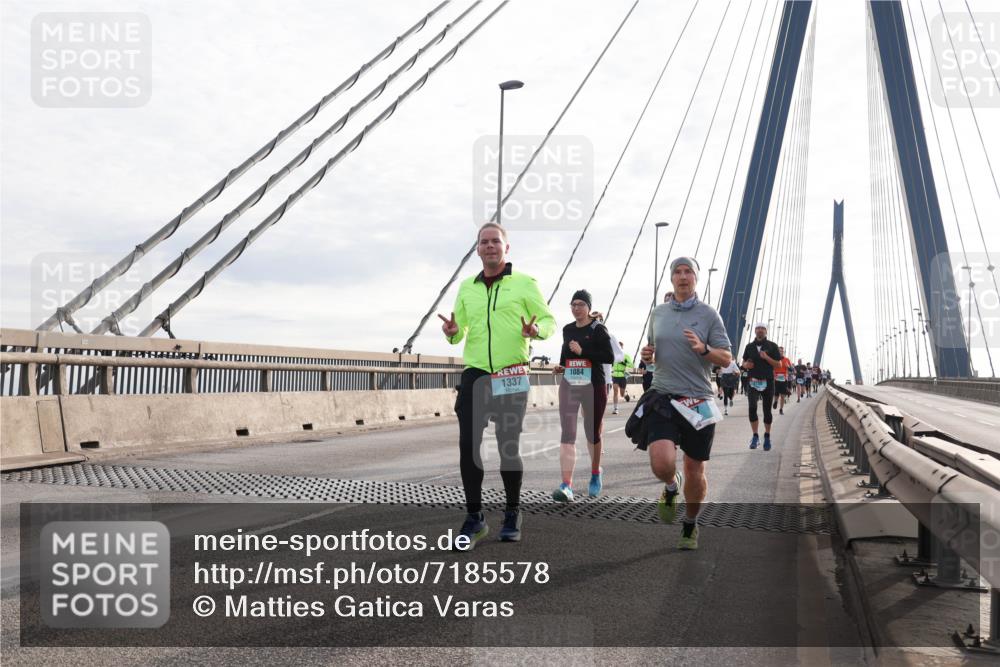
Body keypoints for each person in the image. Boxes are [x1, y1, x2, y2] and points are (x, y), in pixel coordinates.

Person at [439, 222, 555, 549]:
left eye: (495, 241)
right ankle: (474, 518)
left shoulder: (524, 284)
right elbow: (458, 332)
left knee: (507, 445)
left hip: (510, 373)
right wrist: (451, 332)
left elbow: (548, 320)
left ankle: (512, 512)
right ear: (477, 249)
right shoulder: (466, 288)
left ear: (507, 248)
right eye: (484, 242)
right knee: (468, 446)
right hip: (475, 373)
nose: (489, 246)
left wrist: (537, 332)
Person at [639, 257, 732, 551]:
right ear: (671, 279)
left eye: (688, 271)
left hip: (698, 399)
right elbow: (651, 351)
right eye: (677, 272)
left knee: (695, 470)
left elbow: (727, 358)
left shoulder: (709, 315)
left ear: (696, 278)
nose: (682, 276)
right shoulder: (658, 313)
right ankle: (670, 486)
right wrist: (646, 356)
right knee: (661, 462)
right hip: (663, 395)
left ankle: (690, 524)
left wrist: (704, 349)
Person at [551, 291, 614, 501]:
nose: (576, 308)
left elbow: (609, 357)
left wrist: (583, 351)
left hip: (593, 385)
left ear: (588, 307)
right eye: (573, 304)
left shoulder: (598, 329)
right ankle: (566, 485)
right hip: (570, 383)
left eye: (580, 304)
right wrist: (561, 366)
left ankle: (596, 473)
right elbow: (565, 353)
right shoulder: (567, 329)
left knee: (592, 432)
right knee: (567, 433)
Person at [741, 323, 781, 451]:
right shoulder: (749, 346)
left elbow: (778, 365)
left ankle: (767, 436)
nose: (760, 331)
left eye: (762, 329)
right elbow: (743, 362)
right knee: (752, 408)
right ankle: (755, 436)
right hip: (752, 381)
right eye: (758, 328)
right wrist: (746, 365)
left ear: (766, 331)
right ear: (754, 331)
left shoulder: (772, 346)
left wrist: (767, 357)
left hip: (768, 381)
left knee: (767, 410)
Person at [611, 340, 633, 415]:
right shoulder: (612, 355)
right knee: (615, 390)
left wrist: (624, 363)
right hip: (615, 375)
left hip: (623, 375)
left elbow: (631, 365)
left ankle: (625, 395)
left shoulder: (626, 356)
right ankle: (615, 408)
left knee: (621, 394)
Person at [772, 346, 793, 415]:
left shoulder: (787, 360)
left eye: (781, 351)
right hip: (776, 378)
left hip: (784, 379)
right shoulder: (774, 359)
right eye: (779, 351)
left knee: (783, 395)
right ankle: (775, 401)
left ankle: (781, 409)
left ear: (783, 352)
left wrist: (788, 367)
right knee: (776, 393)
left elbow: (792, 370)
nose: (780, 352)